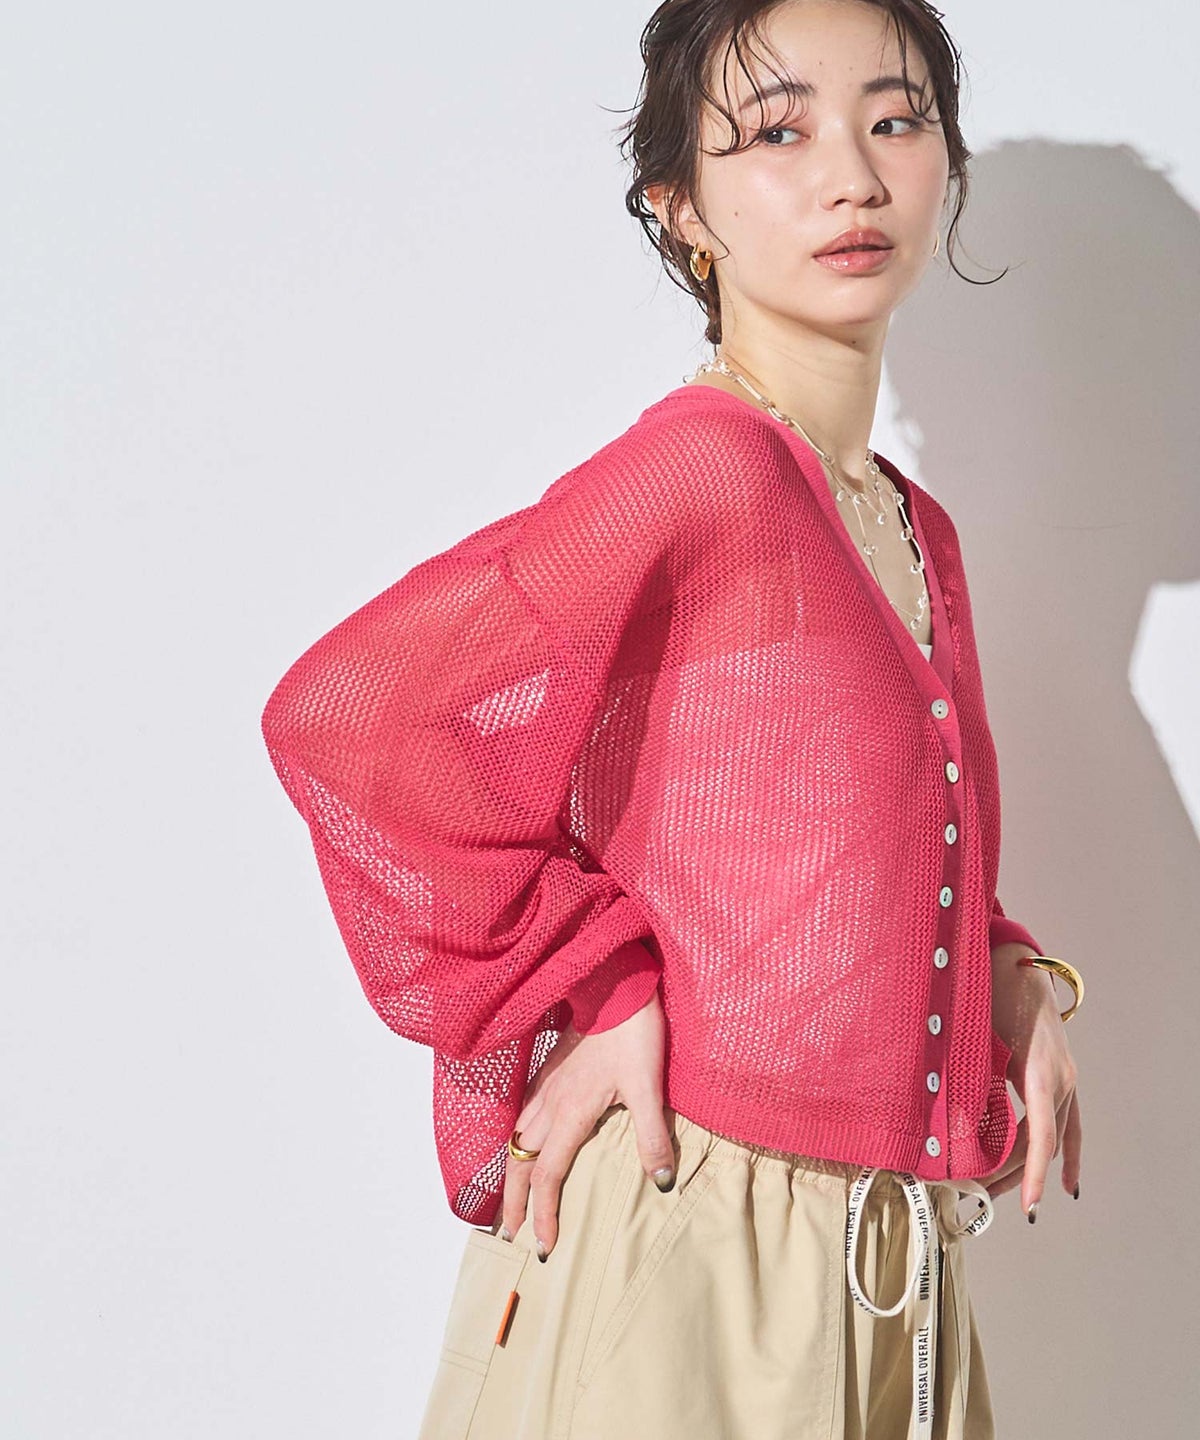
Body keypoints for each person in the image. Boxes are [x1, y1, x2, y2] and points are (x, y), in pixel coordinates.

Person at [259, 1, 1085, 1435]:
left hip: (886, 1269)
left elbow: (835, 848)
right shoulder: (706, 473)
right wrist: (598, 984)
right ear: (681, 209)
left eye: (894, 120)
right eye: (777, 132)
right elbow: (354, 717)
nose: (851, 175)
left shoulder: (914, 529)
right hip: (689, 1243)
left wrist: (1013, 974)